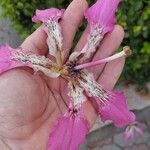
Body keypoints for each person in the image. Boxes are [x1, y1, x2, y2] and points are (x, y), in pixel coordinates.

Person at [0, 0, 125, 149]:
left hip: (70, 74)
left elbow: (119, 111)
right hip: (59, 68)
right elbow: (47, 17)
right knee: (19, 58)